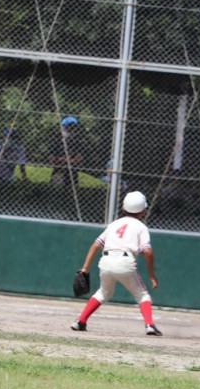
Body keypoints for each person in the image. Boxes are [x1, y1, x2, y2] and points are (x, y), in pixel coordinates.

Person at [70, 190, 161, 335]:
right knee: (143, 295)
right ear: (144, 211)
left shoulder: (114, 224)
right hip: (125, 262)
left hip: (105, 261)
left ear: (123, 208)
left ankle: (80, 321)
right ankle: (149, 325)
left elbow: (96, 245)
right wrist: (151, 275)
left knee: (103, 293)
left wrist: (85, 268)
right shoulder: (141, 227)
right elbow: (147, 252)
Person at [49, 115, 83, 187]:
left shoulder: (77, 142)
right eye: (69, 127)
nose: (72, 129)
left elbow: (78, 161)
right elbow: (52, 160)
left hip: (72, 174)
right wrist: (69, 160)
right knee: (56, 189)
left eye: (74, 127)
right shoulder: (56, 141)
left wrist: (61, 160)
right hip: (58, 172)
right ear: (63, 127)